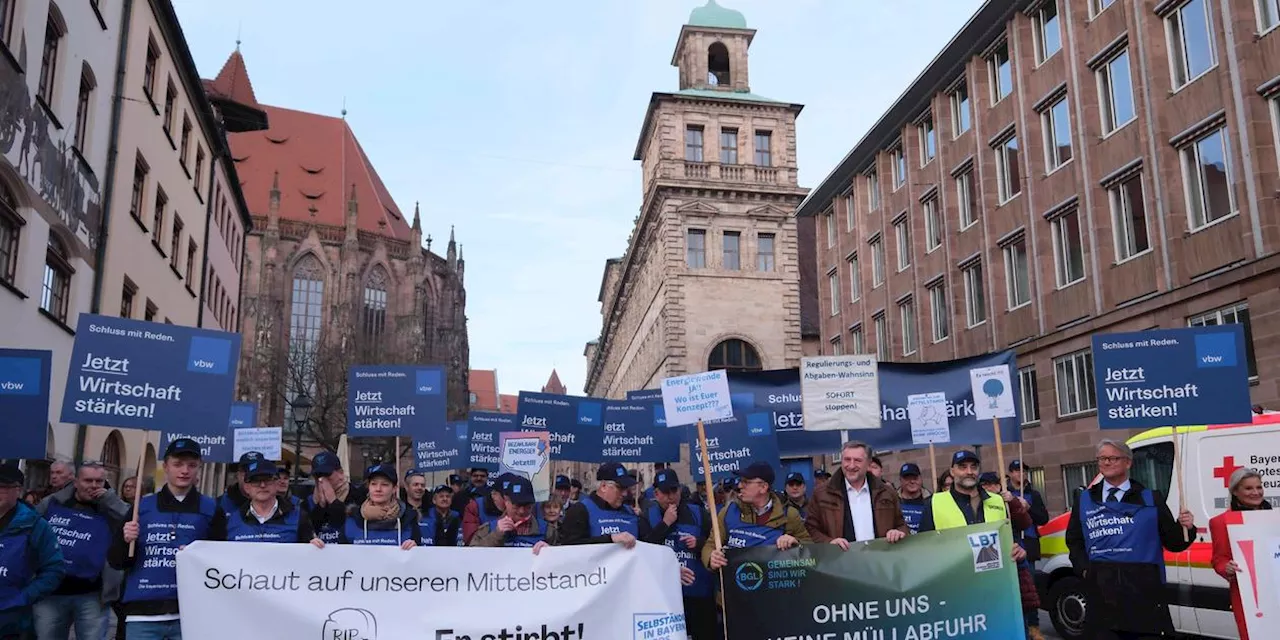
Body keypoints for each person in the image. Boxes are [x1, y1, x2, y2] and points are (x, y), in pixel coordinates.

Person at [1065, 439, 1196, 640]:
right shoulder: (1084, 499)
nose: (1106, 463)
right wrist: (1084, 569)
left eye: (1112, 458)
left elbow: (1174, 542)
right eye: (1102, 459)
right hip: (1101, 596)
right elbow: (1074, 541)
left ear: (1128, 463)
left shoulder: (1151, 498)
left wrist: (1186, 528)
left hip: (1144, 595)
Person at [109, 438, 226, 640]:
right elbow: (117, 561)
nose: (184, 471)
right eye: (178, 464)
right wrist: (125, 540)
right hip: (142, 614)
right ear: (166, 466)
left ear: (199, 468)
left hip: (189, 614)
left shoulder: (211, 509)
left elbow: (220, 561)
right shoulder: (141, 507)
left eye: (191, 465)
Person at [34, 461, 128, 640]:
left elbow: (133, 520)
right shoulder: (54, 502)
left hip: (93, 594)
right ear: (76, 481)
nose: (93, 486)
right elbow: (31, 528)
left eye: (99, 481)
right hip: (51, 591)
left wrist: (110, 500)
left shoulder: (111, 507)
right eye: (88, 480)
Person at [644, 469, 715, 640]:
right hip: (664, 596)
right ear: (656, 493)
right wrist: (665, 524)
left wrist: (698, 543)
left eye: (674, 491)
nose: (670, 497)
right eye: (665, 492)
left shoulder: (698, 513)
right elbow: (644, 549)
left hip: (698, 593)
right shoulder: (648, 516)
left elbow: (713, 543)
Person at [704, 461, 810, 571]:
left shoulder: (789, 514)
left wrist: (795, 542)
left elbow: (810, 550)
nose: (740, 486)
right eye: (740, 481)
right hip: (734, 584)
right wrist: (711, 557)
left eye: (746, 482)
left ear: (763, 487)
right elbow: (710, 545)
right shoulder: (728, 511)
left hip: (773, 584)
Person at [0, 462, 64, 639]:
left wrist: (24, 598)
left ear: (18, 490)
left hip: (11, 621)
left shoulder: (34, 525)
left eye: (3, 487)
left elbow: (54, 569)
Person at [805, 441, 909, 547]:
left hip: (879, 559)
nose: (851, 465)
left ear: (868, 464)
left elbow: (901, 525)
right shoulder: (822, 493)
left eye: (858, 460)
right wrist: (828, 542)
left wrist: (898, 533)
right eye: (847, 459)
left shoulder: (887, 492)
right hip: (839, 560)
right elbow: (810, 529)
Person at [1210, 467, 1270, 640]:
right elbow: (1218, 559)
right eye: (1249, 488)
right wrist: (1226, 568)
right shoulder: (1221, 522)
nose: (1256, 492)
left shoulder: (1274, 517)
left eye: (1259, 487)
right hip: (1248, 595)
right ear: (1235, 491)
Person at [224, 460, 322, 545]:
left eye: (268, 480)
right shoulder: (231, 520)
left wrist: (313, 547)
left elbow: (309, 556)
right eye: (255, 481)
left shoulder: (298, 517)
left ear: (276, 484)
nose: (262, 485)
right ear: (247, 487)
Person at [334, 464, 418, 548]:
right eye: (373, 484)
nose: (378, 489)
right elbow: (339, 556)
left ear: (394, 489)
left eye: (384, 484)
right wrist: (321, 548)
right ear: (368, 487)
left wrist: (416, 548)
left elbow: (420, 557)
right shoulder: (352, 519)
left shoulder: (408, 518)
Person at [560, 463, 640, 547]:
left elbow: (649, 543)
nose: (624, 493)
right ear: (604, 486)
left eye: (626, 488)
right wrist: (610, 539)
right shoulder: (580, 510)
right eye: (620, 488)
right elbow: (570, 547)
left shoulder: (631, 512)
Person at [470, 477, 556, 550]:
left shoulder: (547, 530)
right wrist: (496, 535)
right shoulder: (488, 529)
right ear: (506, 501)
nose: (521, 511)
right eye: (516, 506)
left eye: (527, 506)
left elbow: (562, 562)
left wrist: (550, 552)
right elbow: (471, 557)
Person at [306, 451, 368, 545]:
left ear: (341, 473)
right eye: (317, 476)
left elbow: (351, 526)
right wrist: (321, 506)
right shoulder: (309, 501)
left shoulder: (359, 496)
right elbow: (308, 529)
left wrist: (333, 501)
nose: (322, 480)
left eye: (327, 475)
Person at [461, 473, 510, 544]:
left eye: (511, 499)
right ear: (494, 494)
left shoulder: (522, 509)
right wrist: (497, 525)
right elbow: (471, 542)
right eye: (504, 497)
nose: (507, 502)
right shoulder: (475, 506)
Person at [218, 452, 264, 517]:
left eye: (255, 471)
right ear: (237, 475)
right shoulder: (219, 505)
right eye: (245, 471)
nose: (249, 475)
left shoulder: (277, 507)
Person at [896, 463, 930, 533]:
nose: (912, 481)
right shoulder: (893, 501)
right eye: (907, 479)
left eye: (915, 478)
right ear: (900, 480)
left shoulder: (931, 500)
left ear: (921, 478)